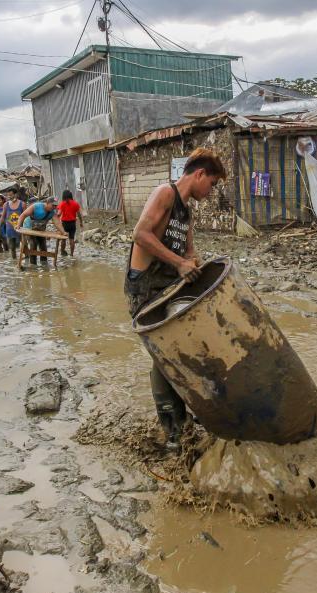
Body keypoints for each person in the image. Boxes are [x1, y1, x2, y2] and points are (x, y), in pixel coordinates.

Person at [124, 148, 226, 449]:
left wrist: (194, 263)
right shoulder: (165, 193)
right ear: (199, 174)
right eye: (213, 183)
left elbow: (189, 252)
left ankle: (180, 415)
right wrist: (179, 263)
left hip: (168, 287)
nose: (211, 191)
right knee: (163, 353)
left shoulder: (187, 211)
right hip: (145, 287)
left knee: (180, 347)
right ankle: (171, 427)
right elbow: (140, 234)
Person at [18, 196, 63, 265]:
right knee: (33, 244)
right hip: (29, 228)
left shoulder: (52, 213)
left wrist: (63, 232)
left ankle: (44, 264)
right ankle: (33, 264)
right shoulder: (36, 206)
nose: (54, 207)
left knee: (43, 246)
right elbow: (23, 215)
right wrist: (18, 226)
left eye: (55, 206)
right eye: (53, 205)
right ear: (47, 203)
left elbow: (57, 222)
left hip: (40, 229)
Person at [0, 192, 26, 259]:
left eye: (11, 195)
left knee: (24, 245)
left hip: (21, 229)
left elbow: (26, 217)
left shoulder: (22, 204)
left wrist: (27, 228)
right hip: (10, 229)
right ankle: (14, 261)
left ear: (16, 195)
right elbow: (3, 216)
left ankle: (27, 259)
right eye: (8, 195)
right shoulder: (6, 204)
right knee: (12, 247)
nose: (9, 196)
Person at [57, 190, 84, 257]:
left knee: (63, 239)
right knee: (71, 239)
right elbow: (79, 214)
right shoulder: (75, 203)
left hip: (64, 224)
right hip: (72, 224)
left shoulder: (62, 203)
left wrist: (56, 220)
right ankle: (71, 254)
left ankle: (62, 252)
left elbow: (59, 214)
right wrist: (81, 222)